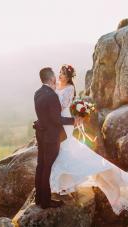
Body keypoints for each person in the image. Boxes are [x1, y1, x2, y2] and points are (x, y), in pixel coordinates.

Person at [49, 64, 128, 214]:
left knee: (64, 149)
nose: (60, 75)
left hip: (64, 122)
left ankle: (64, 183)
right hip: (58, 122)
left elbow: (61, 106)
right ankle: (62, 184)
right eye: (60, 72)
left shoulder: (69, 89)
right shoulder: (57, 86)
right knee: (63, 150)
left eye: (64, 74)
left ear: (69, 77)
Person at [33, 67, 82, 209]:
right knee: (47, 168)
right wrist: (74, 121)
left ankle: (38, 198)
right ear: (52, 79)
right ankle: (46, 201)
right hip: (51, 137)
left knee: (40, 166)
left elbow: (43, 115)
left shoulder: (38, 93)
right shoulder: (52, 96)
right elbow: (56, 119)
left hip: (41, 135)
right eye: (56, 75)